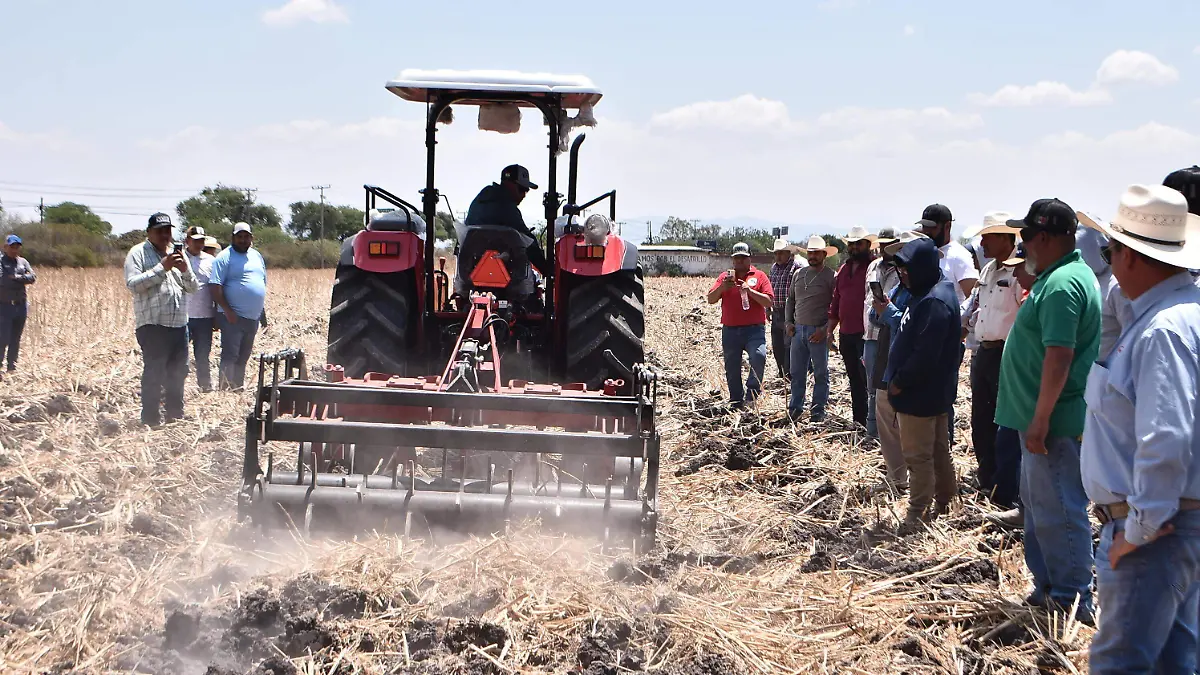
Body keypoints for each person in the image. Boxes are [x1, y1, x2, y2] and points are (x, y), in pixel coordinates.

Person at [1077, 184, 1200, 673]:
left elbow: (1167, 436)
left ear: (1130, 255)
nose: (1108, 261)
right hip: (1173, 525)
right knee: (1174, 660)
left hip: (1155, 533)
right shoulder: (1180, 314)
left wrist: (1139, 530)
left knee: (1121, 663)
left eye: (1110, 250)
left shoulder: (1162, 330)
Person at [995, 198, 1101, 624]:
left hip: (1053, 423)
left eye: (1025, 238)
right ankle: (1048, 587)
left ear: (1043, 237)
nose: (1023, 248)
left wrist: (1040, 422)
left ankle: (1072, 597)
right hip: (1039, 421)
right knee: (1040, 508)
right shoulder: (1058, 278)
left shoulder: (1061, 285)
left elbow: (1059, 356)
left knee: (1061, 507)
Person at [884, 235, 962, 528]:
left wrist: (900, 382)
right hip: (931, 392)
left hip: (920, 394)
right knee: (939, 450)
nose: (902, 274)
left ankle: (917, 513)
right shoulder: (928, 291)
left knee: (918, 456)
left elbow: (925, 355)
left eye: (907, 269)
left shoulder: (935, 302)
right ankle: (947, 501)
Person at [959, 213, 1023, 510]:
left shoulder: (1020, 271)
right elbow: (976, 304)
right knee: (980, 418)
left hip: (1006, 352)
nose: (982, 243)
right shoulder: (987, 270)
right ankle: (986, 478)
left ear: (1005, 239)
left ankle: (1004, 486)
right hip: (983, 350)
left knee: (1004, 420)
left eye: (987, 237)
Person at [124, 212, 199, 426]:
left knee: (179, 372)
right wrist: (162, 267)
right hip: (153, 325)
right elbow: (133, 284)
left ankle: (175, 416)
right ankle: (150, 419)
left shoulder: (178, 253)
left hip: (179, 325)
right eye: (160, 231)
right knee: (155, 373)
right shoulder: (137, 253)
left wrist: (184, 270)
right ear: (149, 232)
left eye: (168, 230)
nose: (165, 235)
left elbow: (193, 287)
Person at [870, 230, 927, 494]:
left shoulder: (926, 292)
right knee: (885, 419)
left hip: (906, 364)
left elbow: (910, 326)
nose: (901, 266)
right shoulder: (898, 287)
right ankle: (897, 477)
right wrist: (880, 308)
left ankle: (917, 481)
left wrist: (889, 312)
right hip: (887, 358)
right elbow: (875, 317)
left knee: (908, 424)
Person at [918, 204, 979, 446]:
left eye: (931, 228)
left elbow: (973, 299)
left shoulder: (958, 257)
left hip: (946, 341)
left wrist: (959, 331)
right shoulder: (925, 255)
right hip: (923, 339)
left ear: (947, 226)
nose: (927, 232)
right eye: (924, 228)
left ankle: (944, 448)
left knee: (942, 398)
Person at [707, 242, 774, 408]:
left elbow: (768, 301)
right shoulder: (725, 277)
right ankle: (736, 400)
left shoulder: (759, 276)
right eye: (736, 258)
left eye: (743, 258)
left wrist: (750, 291)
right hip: (730, 330)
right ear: (732, 260)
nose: (739, 261)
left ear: (749, 258)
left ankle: (752, 393)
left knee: (759, 357)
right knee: (732, 366)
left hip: (754, 330)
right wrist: (722, 287)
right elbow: (710, 299)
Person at [209, 222, 268, 391]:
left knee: (243, 356)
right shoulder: (224, 257)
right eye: (239, 237)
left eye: (246, 237)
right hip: (232, 316)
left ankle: (237, 388)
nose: (243, 240)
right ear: (233, 238)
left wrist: (262, 314)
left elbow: (261, 283)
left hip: (252, 317)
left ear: (251, 238)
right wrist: (227, 311)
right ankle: (225, 390)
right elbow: (215, 286)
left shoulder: (256, 256)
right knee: (230, 355)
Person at [827, 226, 875, 428]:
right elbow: (836, 301)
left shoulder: (874, 268)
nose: (855, 248)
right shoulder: (844, 270)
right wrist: (830, 330)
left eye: (859, 244)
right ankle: (859, 421)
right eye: (852, 244)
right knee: (854, 379)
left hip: (867, 335)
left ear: (868, 245)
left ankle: (873, 424)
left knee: (869, 381)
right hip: (847, 333)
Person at [785, 236, 837, 422]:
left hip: (818, 332)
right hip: (798, 331)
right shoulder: (799, 274)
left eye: (816, 253)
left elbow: (835, 306)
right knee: (797, 373)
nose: (813, 256)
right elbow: (790, 300)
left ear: (824, 254)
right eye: (810, 253)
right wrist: (788, 323)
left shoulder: (831, 276)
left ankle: (817, 411)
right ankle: (795, 408)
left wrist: (825, 330)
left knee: (821, 373)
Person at [464, 164, 548, 276]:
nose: (524, 195)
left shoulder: (481, 199)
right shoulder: (508, 209)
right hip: (504, 274)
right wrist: (547, 270)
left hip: (470, 269)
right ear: (509, 184)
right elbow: (528, 242)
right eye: (522, 189)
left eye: (526, 191)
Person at [862, 228, 898, 438]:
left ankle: (888, 433)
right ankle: (872, 432)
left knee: (888, 386)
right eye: (882, 244)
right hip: (871, 334)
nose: (885, 248)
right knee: (872, 387)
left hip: (891, 335)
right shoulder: (873, 266)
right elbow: (866, 299)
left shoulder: (902, 269)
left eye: (889, 244)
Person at [183, 226, 217, 392]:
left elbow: (216, 287)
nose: (198, 243)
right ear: (187, 241)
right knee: (179, 355)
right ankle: (175, 387)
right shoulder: (178, 258)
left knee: (203, 355)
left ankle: (205, 387)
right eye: (195, 240)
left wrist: (216, 314)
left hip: (205, 316)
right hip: (182, 316)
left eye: (201, 240)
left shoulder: (211, 261)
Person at [0, 234, 36, 376]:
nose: (14, 250)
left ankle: (11, 368)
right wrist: (22, 280)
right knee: (3, 338)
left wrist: (16, 278)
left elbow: (32, 277)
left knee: (16, 339)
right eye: (12, 247)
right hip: (4, 306)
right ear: (5, 247)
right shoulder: (1, 261)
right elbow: (3, 280)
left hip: (21, 306)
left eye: (17, 247)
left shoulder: (23, 261)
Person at [768, 238, 801, 381]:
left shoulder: (796, 268)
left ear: (789, 253)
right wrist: (767, 308)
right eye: (776, 253)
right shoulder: (773, 268)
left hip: (790, 313)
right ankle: (781, 372)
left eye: (781, 253)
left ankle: (789, 375)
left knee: (789, 345)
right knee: (777, 345)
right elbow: (769, 288)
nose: (778, 256)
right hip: (776, 311)